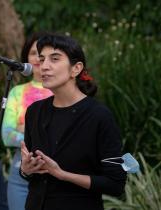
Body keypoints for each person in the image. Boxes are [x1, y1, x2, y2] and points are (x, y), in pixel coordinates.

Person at [20, 33, 127, 210]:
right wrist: (25, 169)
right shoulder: (35, 111)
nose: (44, 66)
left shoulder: (99, 116)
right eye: (41, 59)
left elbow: (115, 184)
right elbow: (30, 174)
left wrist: (62, 174)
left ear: (76, 69)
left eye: (54, 59)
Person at [1, 32, 53, 210]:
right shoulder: (17, 92)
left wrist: (24, 128)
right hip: (19, 171)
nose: (38, 58)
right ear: (26, 58)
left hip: (55, 172)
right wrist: (42, 131)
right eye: (33, 53)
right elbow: (7, 137)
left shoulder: (62, 91)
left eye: (43, 53)